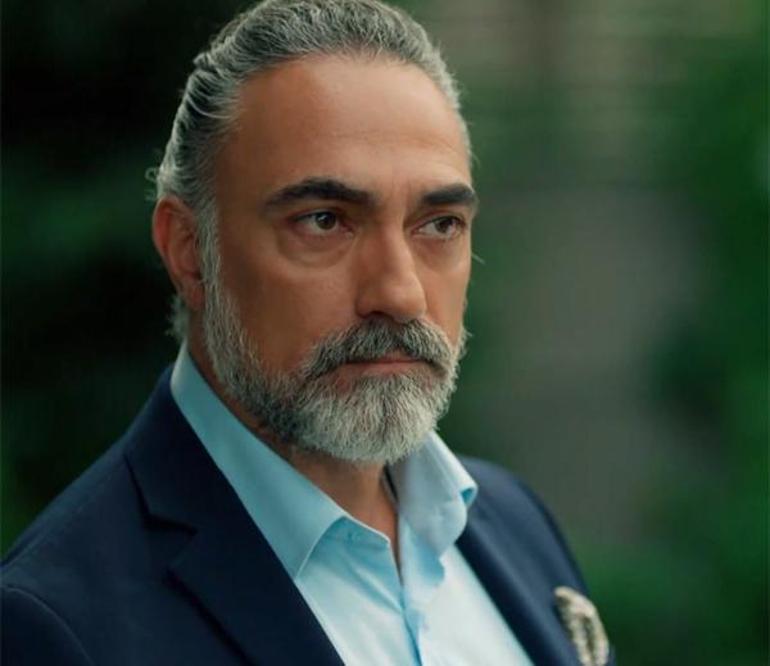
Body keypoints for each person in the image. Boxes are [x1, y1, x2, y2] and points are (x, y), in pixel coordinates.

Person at [1, 1, 613, 664]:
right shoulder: (56, 627)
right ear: (188, 251)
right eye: (324, 221)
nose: (400, 294)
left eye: (439, 225)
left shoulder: (517, 525)